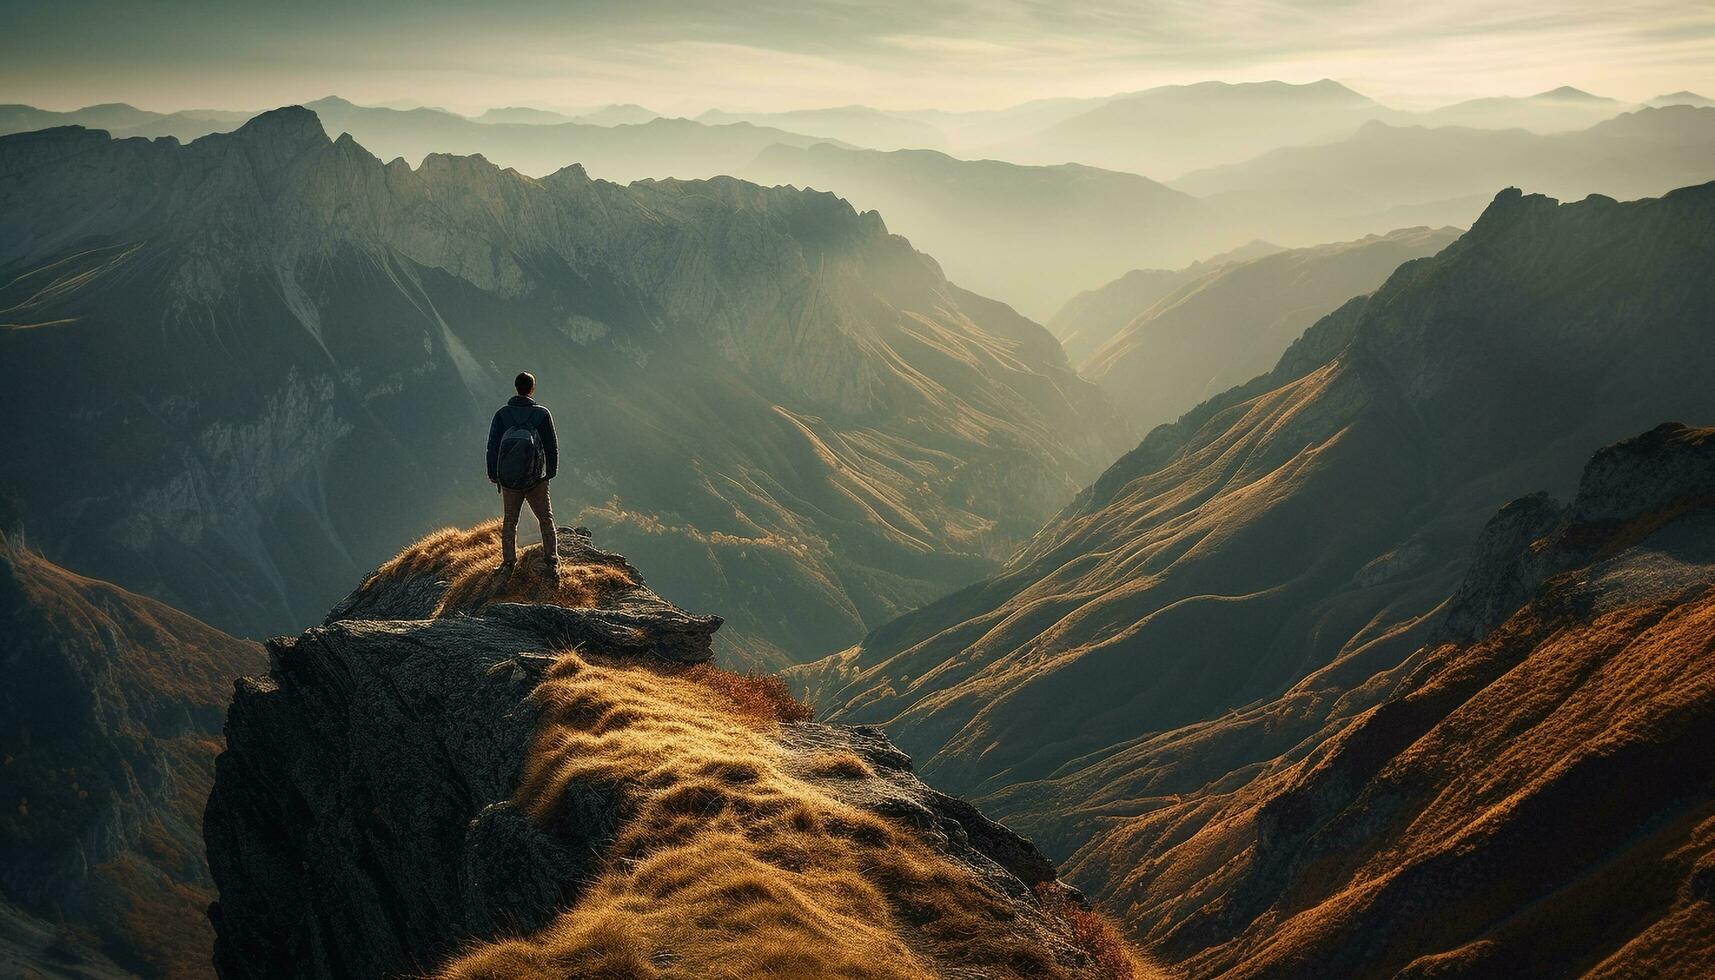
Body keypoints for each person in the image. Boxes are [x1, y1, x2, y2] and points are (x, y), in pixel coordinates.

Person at [486, 372, 560, 580]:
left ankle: (509, 563)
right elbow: (550, 445)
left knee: (510, 521)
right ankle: (551, 561)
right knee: (545, 518)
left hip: (509, 479)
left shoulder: (502, 414)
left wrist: (494, 474)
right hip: (536, 478)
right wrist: (550, 473)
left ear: (515, 387)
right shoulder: (542, 414)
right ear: (532, 388)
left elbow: (492, 446)